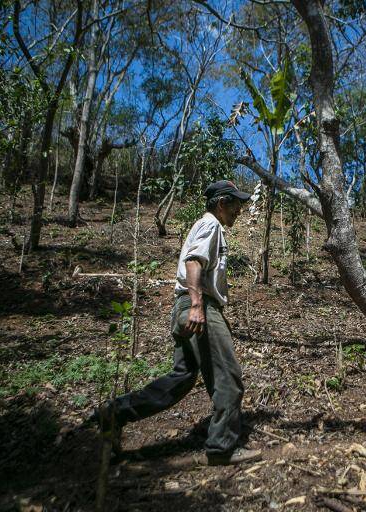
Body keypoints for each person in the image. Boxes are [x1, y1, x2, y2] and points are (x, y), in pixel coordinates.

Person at [93, 179, 261, 465]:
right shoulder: (211, 225)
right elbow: (194, 262)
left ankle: (116, 412)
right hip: (199, 306)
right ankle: (222, 448)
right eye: (236, 205)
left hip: (184, 307)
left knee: (181, 378)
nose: (239, 211)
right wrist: (198, 305)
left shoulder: (204, 225)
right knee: (228, 377)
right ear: (221, 203)